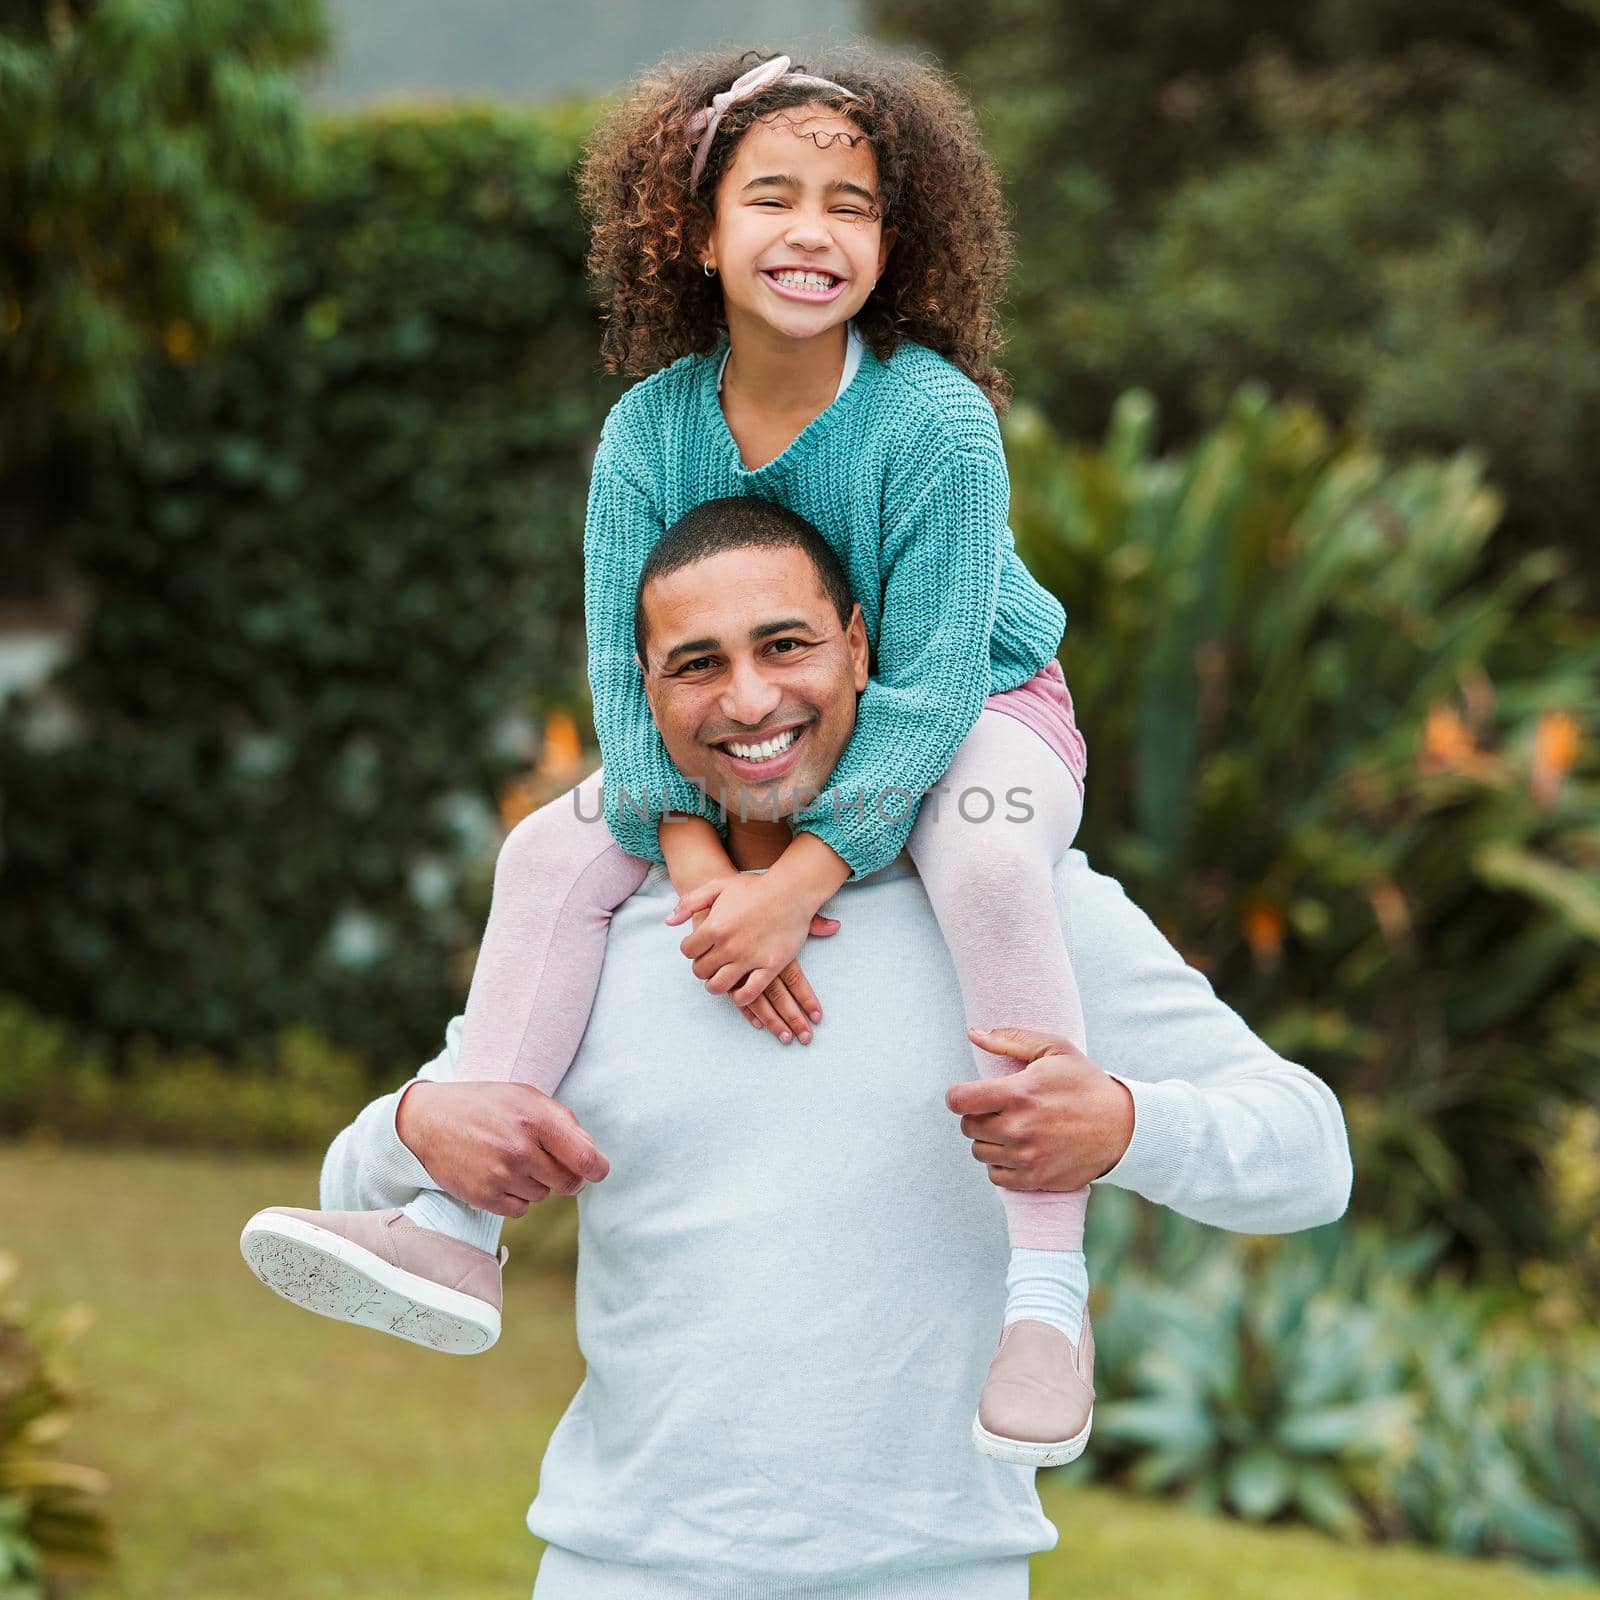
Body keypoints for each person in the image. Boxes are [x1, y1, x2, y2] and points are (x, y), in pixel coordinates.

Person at [256, 43, 1112, 1463]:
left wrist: (799, 886)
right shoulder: (648, 431)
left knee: (992, 861)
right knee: (545, 850)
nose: (812, 232)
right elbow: (623, 672)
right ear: (697, 232)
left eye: (854, 205)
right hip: (741, 739)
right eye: (773, 196)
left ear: (897, 246)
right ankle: (453, 1226)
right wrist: (706, 867)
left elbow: (928, 684)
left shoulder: (937, 423)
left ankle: (1046, 1294)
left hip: (980, 711)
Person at [307, 504, 1354, 1600]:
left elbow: (1311, 1154)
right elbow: (354, 1181)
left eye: (785, 644)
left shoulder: (1019, 911)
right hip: (618, 1570)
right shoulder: (597, 928)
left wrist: (1126, 1125)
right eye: (697, 664)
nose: (749, 699)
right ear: (643, 692)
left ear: (860, 647)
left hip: (934, 1577)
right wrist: (416, 1125)